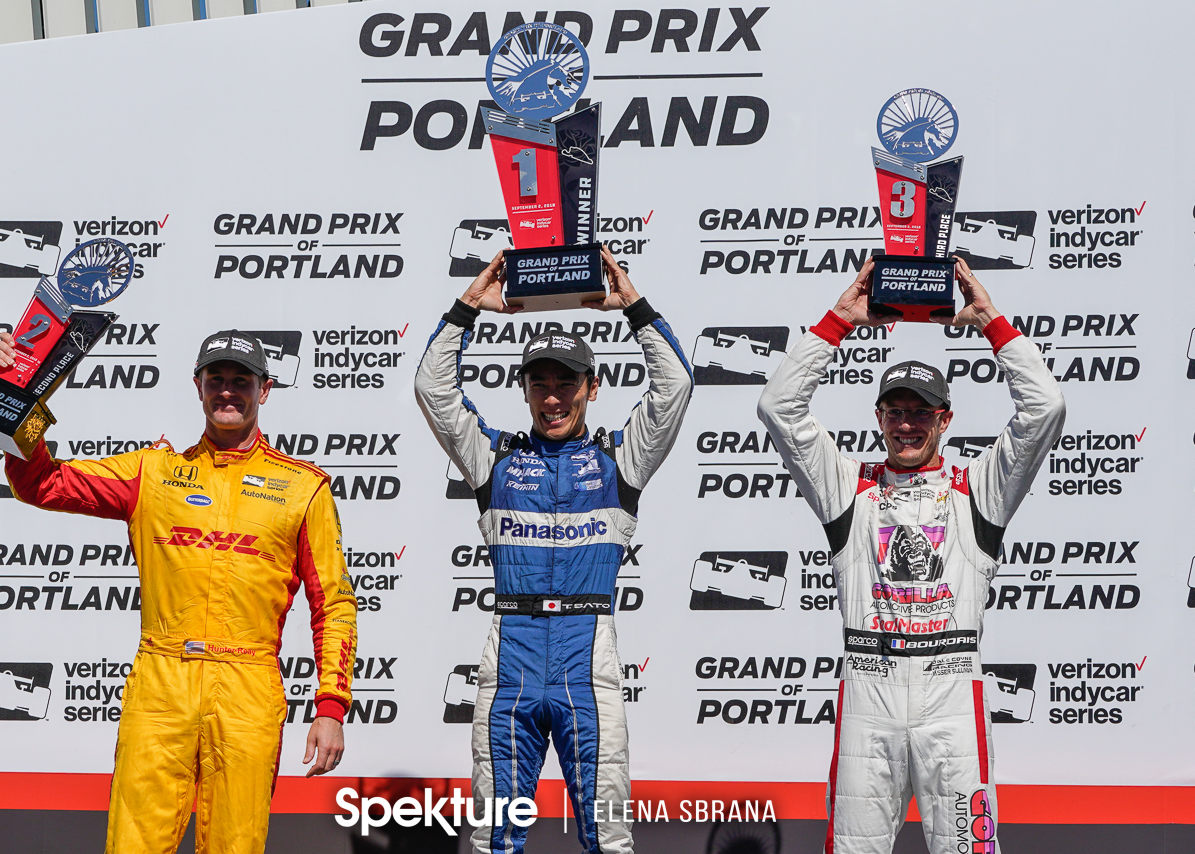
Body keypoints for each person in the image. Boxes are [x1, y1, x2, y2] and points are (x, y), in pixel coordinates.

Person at [0, 329, 358, 854]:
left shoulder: (304, 487)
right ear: (198, 386)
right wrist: (22, 391)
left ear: (265, 390)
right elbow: (42, 484)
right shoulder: (153, 472)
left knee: (236, 845)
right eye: (216, 380)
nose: (227, 391)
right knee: (133, 845)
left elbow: (334, 606)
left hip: (248, 687)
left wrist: (330, 707)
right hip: (161, 683)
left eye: (241, 380)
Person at [757, 258, 1065, 854]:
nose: (907, 423)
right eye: (895, 411)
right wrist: (839, 322)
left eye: (921, 411)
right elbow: (779, 407)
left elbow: (1045, 408)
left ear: (945, 419)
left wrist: (991, 324)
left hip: (952, 695)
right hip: (869, 693)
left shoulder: (978, 489)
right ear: (877, 418)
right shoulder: (848, 485)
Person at [415, 248, 692, 854]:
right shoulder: (497, 459)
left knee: (607, 837)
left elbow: (675, 387)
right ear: (523, 391)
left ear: (592, 387)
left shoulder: (622, 459)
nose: (552, 397)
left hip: (587, 660)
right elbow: (432, 390)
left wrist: (634, 308)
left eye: (566, 382)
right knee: (496, 835)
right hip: (510, 661)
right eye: (539, 383)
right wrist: (468, 308)